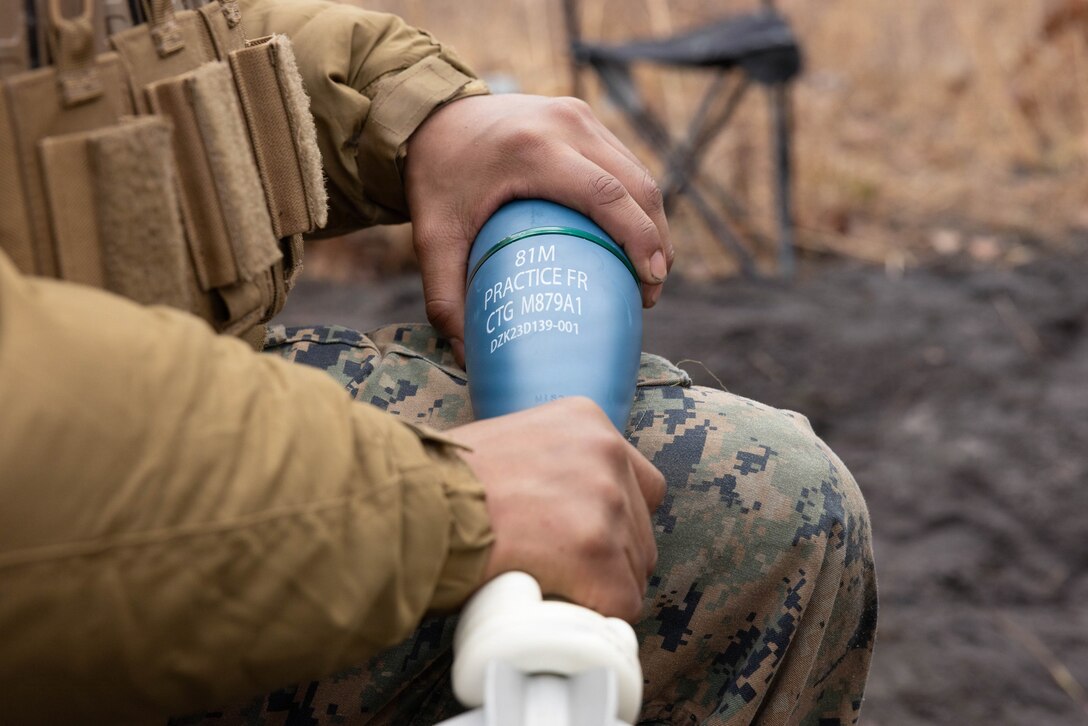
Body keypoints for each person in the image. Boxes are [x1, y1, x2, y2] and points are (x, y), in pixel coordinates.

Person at [0, 0, 876, 723]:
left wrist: (410, 110)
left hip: (120, 414)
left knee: (754, 502)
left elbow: (94, 65)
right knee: (763, 504)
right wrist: (424, 507)